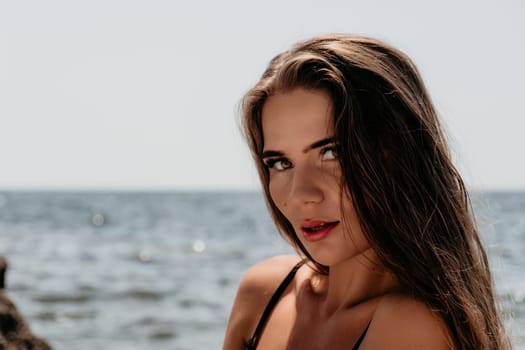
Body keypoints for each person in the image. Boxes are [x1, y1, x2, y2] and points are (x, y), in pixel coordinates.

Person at [222, 34, 510, 350]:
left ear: (397, 155)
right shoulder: (264, 292)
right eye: (280, 163)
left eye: (332, 153)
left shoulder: (410, 326)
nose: (301, 194)